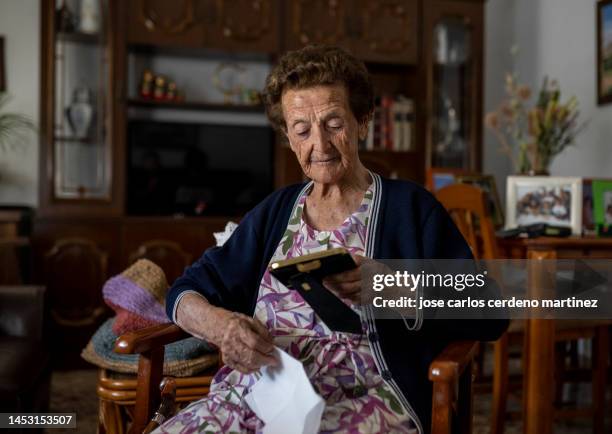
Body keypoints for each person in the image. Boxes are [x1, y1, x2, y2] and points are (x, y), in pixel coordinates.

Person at [157, 46, 507, 434]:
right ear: (289, 138)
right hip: (258, 396)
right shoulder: (276, 212)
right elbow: (186, 291)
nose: (319, 145)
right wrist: (221, 327)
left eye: (334, 123)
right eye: (302, 130)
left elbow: (491, 311)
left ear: (363, 121)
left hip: (366, 401)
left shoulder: (411, 208)